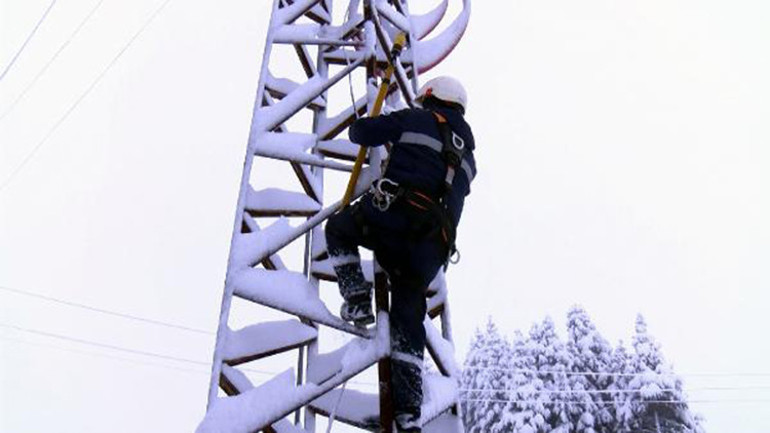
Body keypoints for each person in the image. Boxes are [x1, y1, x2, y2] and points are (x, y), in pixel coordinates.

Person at [325, 76, 476, 433]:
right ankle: (408, 411)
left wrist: (374, 121)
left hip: (394, 216)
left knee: (339, 229)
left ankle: (358, 300)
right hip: (431, 249)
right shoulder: (469, 158)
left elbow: (361, 134)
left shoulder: (414, 119)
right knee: (408, 313)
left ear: (431, 98)